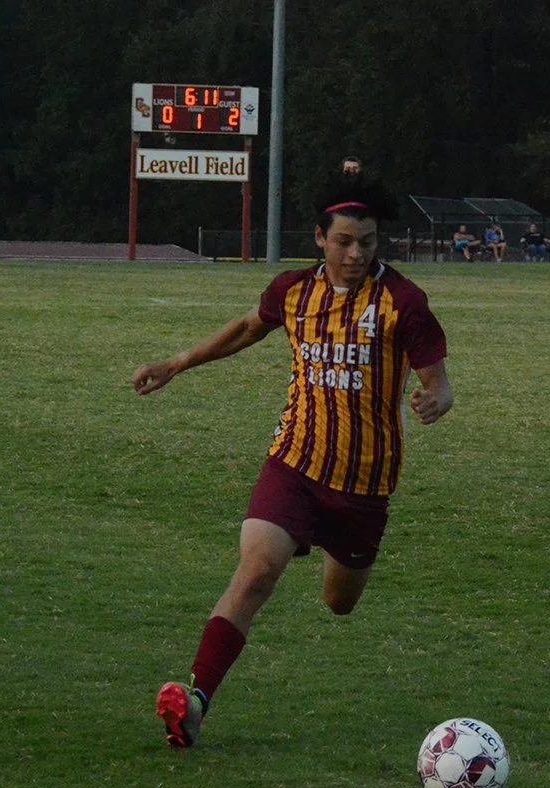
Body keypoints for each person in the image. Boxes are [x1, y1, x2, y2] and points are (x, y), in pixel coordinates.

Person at [132, 173, 454, 750]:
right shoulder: (293, 291)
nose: (356, 254)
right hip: (294, 462)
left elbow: (440, 382)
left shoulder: (403, 302)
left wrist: (436, 400)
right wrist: (176, 363)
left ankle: (330, 550)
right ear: (320, 238)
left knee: (339, 602)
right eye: (344, 242)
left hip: (363, 483)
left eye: (367, 242)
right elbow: (245, 329)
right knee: (256, 571)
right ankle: (196, 701)